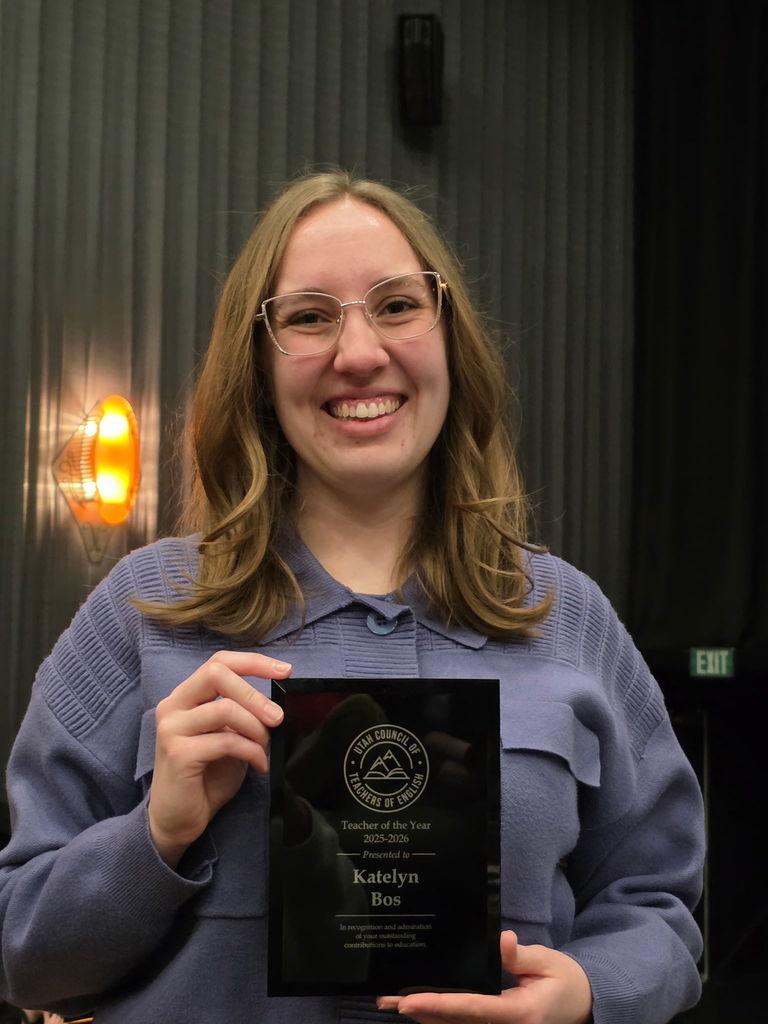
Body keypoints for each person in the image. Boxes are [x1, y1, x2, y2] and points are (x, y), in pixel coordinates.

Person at [0, 169, 704, 1024]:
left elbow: (659, 907)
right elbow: (22, 956)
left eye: (398, 306)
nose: (360, 352)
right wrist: (156, 834)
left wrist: (594, 992)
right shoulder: (141, 610)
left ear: (449, 337)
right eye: (307, 316)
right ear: (256, 368)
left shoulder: (568, 616)